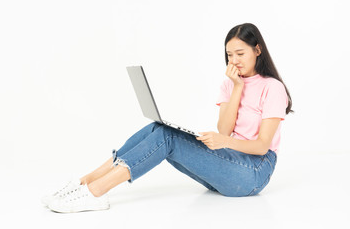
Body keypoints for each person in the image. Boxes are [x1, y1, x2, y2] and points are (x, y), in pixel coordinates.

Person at [42, 22, 293, 213]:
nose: (234, 61)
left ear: (257, 50)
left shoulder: (272, 88)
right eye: (229, 55)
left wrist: (223, 142)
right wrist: (237, 87)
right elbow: (224, 131)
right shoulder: (230, 84)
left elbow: (261, 147)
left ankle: (95, 193)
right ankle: (85, 181)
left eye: (240, 53)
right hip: (229, 163)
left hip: (253, 172)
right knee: (157, 128)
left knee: (167, 138)